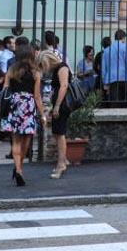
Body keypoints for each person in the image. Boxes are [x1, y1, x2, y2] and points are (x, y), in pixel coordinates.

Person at [1, 44, 43, 186]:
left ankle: (18, 168)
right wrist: (42, 114)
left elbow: (5, 89)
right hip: (29, 104)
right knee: (27, 139)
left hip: (15, 103)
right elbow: (37, 96)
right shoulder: (36, 73)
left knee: (16, 139)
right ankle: (19, 168)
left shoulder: (11, 70)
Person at [40, 50, 71, 179]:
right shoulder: (58, 68)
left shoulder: (62, 67)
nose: (44, 68)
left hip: (62, 105)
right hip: (59, 104)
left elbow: (64, 86)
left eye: (43, 64)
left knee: (60, 133)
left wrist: (57, 106)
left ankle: (61, 164)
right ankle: (63, 161)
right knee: (57, 133)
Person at [100, 30, 127, 107]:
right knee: (124, 102)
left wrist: (105, 82)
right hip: (125, 78)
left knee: (114, 102)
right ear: (123, 38)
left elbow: (104, 68)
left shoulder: (107, 50)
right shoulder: (125, 47)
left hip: (112, 79)